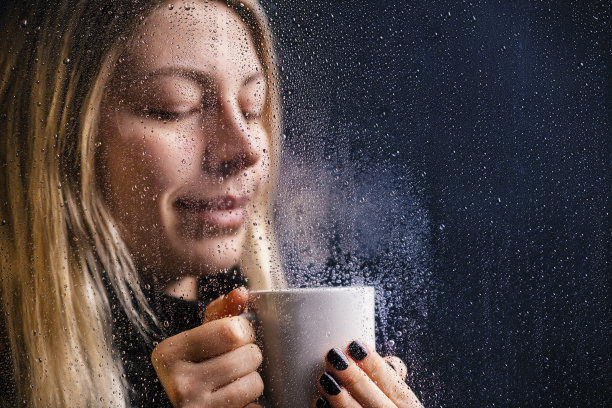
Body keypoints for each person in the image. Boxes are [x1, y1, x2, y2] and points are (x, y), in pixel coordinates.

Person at [0, 0, 423, 407]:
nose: (245, 149)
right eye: (174, 108)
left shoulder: (281, 348)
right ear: (63, 143)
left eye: (253, 107)